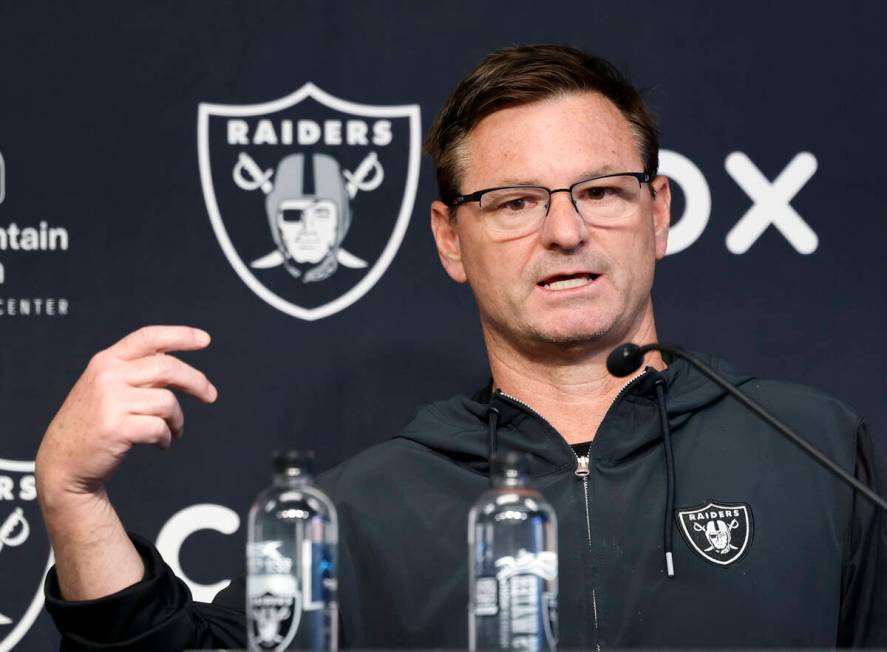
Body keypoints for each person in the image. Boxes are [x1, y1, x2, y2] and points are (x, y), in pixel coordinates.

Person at [36, 44, 885, 650]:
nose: (565, 230)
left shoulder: (812, 451)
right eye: (514, 202)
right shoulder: (359, 511)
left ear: (657, 212)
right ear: (449, 238)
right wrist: (75, 498)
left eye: (598, 191)